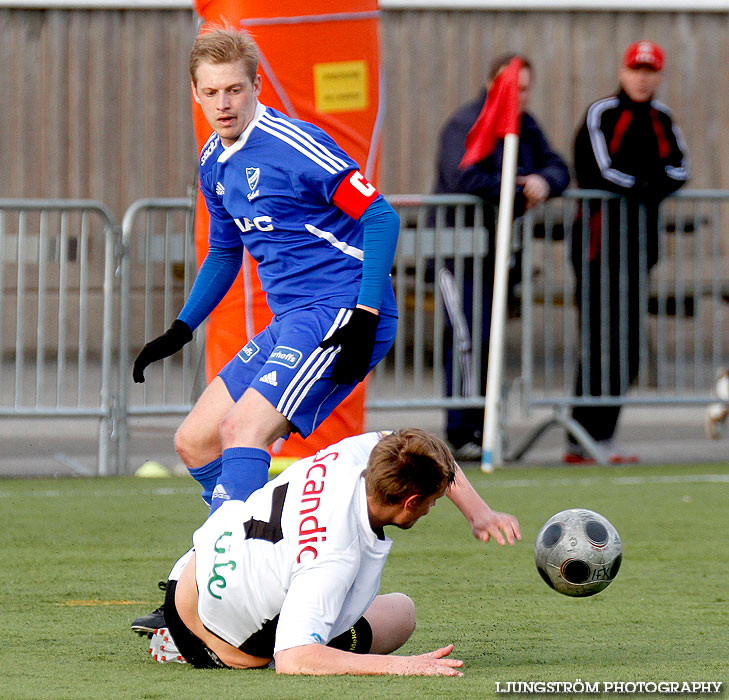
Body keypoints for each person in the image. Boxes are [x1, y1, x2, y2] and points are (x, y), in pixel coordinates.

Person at [132, 27, 400, 513]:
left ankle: (230, 560)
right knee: (194, 440)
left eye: (234, 89)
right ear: (195, 93)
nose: (223, 104)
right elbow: (223, 253)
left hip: (341, 313)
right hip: (291, 321)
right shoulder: (213, 159)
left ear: (257, 85)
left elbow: (382, 216)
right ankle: (247, 548)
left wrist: (365, 314)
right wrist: (181, 327)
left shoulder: (294, 146)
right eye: (211, 92)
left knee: (242, 429)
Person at [139, 429, 521, 675]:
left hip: (189, 571)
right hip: (214, 642)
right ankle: (185, 645)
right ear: (411, 502)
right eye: (433, 501)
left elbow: (419, 445)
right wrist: (403, 666)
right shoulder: (337, 555)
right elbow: (294, 658)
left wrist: (479, 514)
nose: (433, 507)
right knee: (401, 614)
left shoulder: (357, 455)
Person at [433, 53, 570, 460]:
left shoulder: (525, 125)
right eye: (515, 88)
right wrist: (517, 187)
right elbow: (464, 175)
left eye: (527, 89)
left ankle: (484, 426)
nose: (521, 96)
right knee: (466, 335)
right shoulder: (466, 122)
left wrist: (545, 181)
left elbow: (559, 166)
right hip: (457, 248)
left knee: (489, 337)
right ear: (494, 84)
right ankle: (461, 432)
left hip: (498, 250)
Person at [566, 40, 689, 464]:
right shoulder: (602, 113)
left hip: (640, 249)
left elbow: (679, 169)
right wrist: (645, 187)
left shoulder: (663, 118)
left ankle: (603, 437)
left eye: (650, 70)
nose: (642, 76)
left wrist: (647, 187)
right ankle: (581, 437)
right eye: (636, 68)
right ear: (623, 72)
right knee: (600, 340)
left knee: (629, 346)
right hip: (598, 246)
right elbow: (600, 171)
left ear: (659, 75)